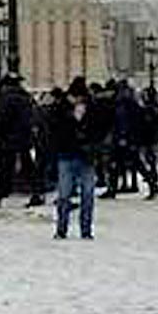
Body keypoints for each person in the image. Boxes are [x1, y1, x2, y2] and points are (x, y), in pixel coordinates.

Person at [49, 78, 107, 240]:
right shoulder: (62, 108)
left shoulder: (92, 108)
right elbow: (54, 129)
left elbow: (100, 127)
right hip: (69, 154)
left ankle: (83, 230)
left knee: (83, 194)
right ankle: (63, 229)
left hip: (82, 156)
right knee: (66, 195)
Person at [0, 75, 35, 207]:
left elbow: (1, 120)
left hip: (8, 139)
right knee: (27, 166)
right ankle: (37, 191)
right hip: (24, 138)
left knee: (6, 168)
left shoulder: (5, 99)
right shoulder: (26, 96)